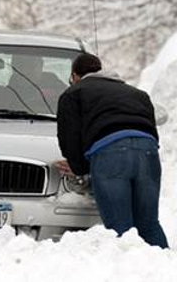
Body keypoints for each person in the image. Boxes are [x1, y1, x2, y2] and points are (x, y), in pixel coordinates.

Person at [54, 53, 169, 249]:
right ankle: (168, 271)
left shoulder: (74, 93)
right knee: (149, 224)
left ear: (74, 76)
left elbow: (69, 137)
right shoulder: (137, 94)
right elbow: (151, 128)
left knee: (120, 228)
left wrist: (78, 167)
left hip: (111, 156)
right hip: (148, 153)